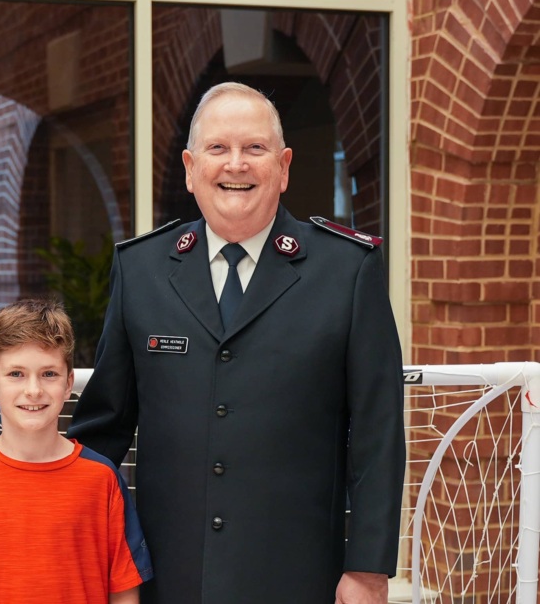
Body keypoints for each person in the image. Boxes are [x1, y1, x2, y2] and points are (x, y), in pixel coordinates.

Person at [68, 82, 405, 603]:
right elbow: (104, 428)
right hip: (167, 577)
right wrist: (57, 528)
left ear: (284, 167)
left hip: (297, 578)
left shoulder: (347, 271)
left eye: (255, 148)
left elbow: (377, 433)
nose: (236, 164)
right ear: (190, 168)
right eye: (218, 148)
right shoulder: (141, 270)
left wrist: (368, 568)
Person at [0, 299, 153, 604]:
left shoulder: (103, 480)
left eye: (48, 374)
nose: (33, 390)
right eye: (16, 374)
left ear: (69, 383)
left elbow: (124, 593)